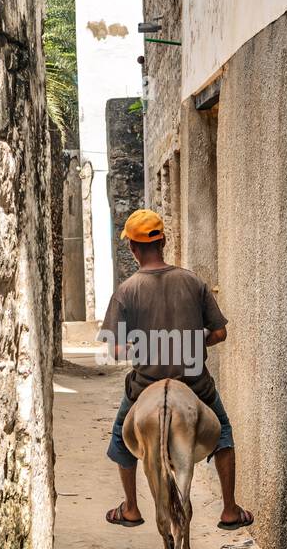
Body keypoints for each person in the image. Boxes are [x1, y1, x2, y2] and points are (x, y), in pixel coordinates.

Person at [100, 208, 253, 530]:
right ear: (164, 242)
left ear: (132, 248)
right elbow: (220, 333)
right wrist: (193, 345)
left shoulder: (126, 291)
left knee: (119, 437)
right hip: (195, 384)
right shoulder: (193, 282)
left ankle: (130, 508)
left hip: (145, 385)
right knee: (222, 433)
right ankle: (228, 509)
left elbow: (114, 348)